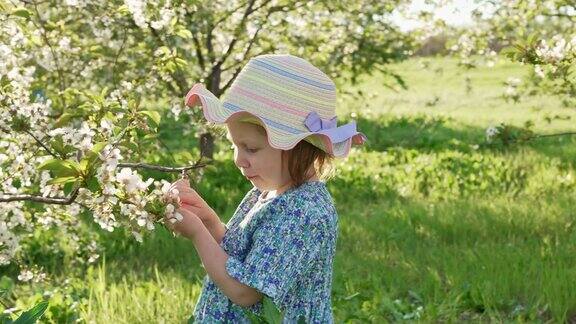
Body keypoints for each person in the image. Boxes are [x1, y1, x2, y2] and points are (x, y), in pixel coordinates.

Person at [165, 54, 366, 323]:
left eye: (251, 148)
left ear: (299, 148)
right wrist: (209, 221)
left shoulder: (304, 214)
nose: (238, 159)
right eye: (235, 146)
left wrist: (198, 234)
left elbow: (245, 292)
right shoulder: (267, 194)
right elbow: (243, 254)